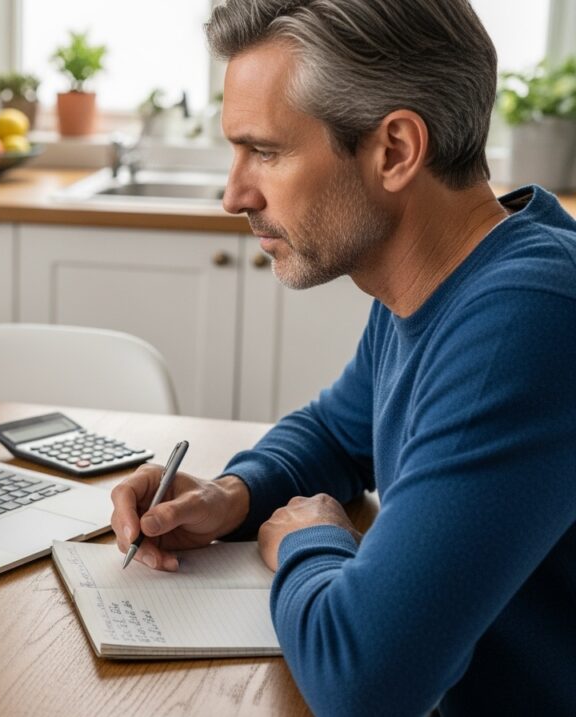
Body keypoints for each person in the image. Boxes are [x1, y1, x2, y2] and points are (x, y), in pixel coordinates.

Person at [109, 1, 576, 715]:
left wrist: (312, 540)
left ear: (393, 150)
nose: (234, 193)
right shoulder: (444, 278)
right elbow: (336, 432)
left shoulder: (527, 319)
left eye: (264, 151)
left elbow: (365, 683)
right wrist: (232, 495)